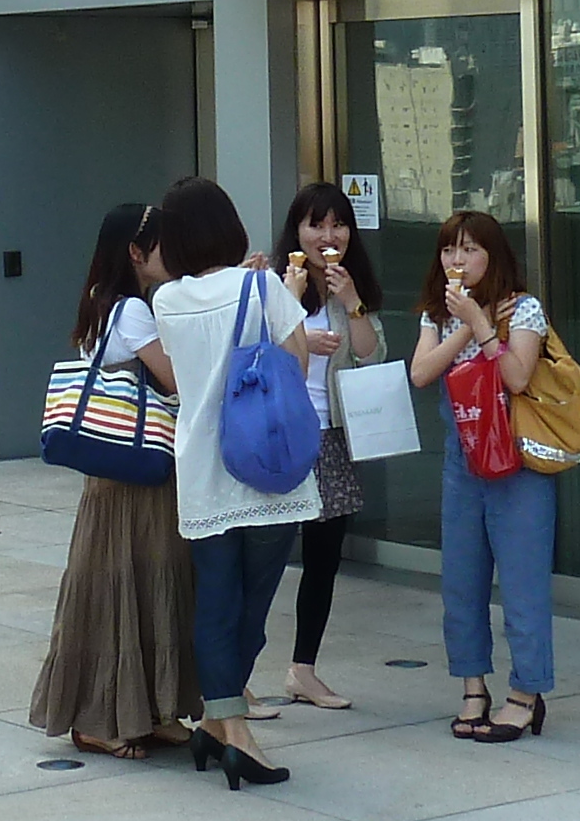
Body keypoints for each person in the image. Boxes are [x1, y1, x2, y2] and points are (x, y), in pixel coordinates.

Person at [143, 173, 320, 787]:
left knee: (215, 601)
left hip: (203, 468)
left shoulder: (165, 302)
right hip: (269, 464)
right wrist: (282, 291)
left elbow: (184, 375)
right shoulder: (263, 285)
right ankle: (234, 731)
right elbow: (296, 363)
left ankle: (218, 723)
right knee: (255, 602)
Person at [26, 203, 200, 758]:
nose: (171, 255)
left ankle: (148, 709)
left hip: (115, 473)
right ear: (136, 251)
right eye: (162, 244)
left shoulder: (107, 304)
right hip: (135, 475)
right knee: (133, 584)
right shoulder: (132, 312)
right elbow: (177, 378)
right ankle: (103, 716)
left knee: (136, 584)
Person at [408, 208, 555, 742]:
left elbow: (516, 377)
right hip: (462, 463)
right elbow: (421, 374)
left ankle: (526, 693)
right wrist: (466, 322)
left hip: (518, 464)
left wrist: (485, 327)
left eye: (469, 249)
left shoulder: (526, 311)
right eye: (449, 249)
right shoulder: (437, 314)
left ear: (492, 256)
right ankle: (473, 687)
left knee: (523, 585)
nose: (457, 260)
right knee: (462, 584)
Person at [267, 183, 382, 713]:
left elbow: (371, 356)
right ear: (297, 231)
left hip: (329, 437)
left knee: (322, 560)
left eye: (338, 225)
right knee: (261, 558)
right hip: (278, 435)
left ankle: (303, 670)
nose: (327, 236)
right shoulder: (271, 282)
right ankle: (235, 675)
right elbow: (250, 351)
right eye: (316, 224)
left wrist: (353, 303)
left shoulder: (348, 288)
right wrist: (297, 329)